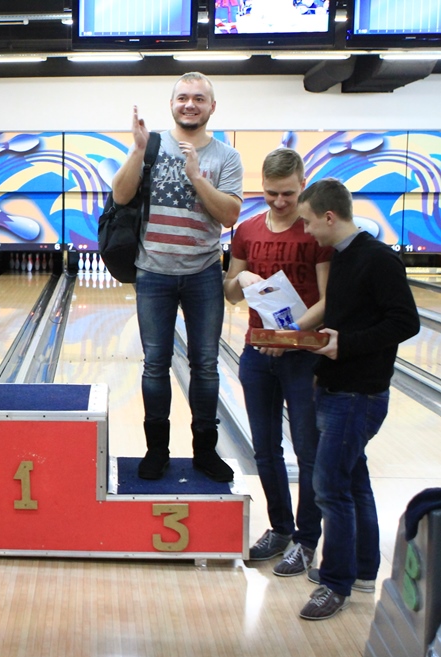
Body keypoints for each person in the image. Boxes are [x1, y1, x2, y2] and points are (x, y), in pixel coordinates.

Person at [111, 71, 244, 483]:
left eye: (199, 98)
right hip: (154, 272)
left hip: (203, 273)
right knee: (155, 365)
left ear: (212, 107)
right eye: (183, 97)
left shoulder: (226, 157)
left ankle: (205, 451)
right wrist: (137, 151)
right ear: (172, 104)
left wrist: (197, 176)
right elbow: (120, 195)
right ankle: (157, 450)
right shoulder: (150, 145)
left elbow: (230, 215)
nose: (190, 104)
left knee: (206, 366)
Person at [296, 178, 419, 621]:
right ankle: (364, 569)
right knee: (353, 482)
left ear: (329, 216)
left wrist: (345, 345)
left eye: (308, 222)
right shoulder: (343, 256)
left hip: (357, 394)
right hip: (335, 387)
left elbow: (405, 322)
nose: (306, 230)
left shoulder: (378, 259)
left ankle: (335, 583)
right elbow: (346, 319)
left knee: (329, 487)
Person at [223, 148, 332, 576]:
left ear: (303, 184)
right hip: (257, 353)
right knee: (265, 450)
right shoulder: (248, 230)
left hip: (303, 357)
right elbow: (231, 294)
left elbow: (328, 301)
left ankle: (307, 541)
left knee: (307, 451)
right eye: (272, 193)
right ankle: (281, 529)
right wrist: (241, 277)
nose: (280, 201)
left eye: (288, 193)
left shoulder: (314, 232)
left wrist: (290, 337)